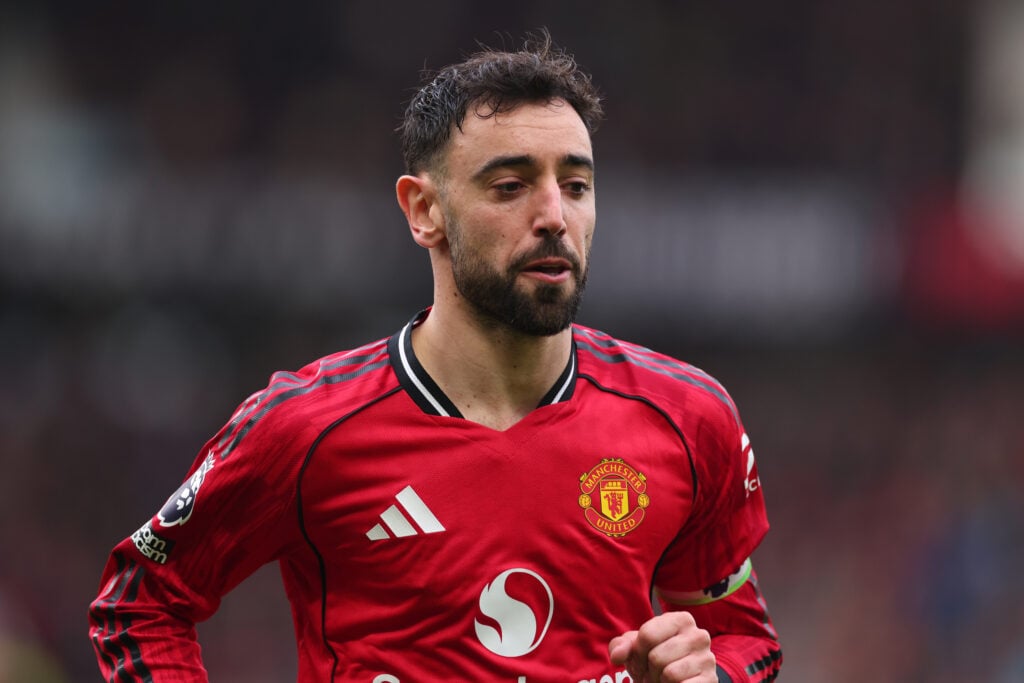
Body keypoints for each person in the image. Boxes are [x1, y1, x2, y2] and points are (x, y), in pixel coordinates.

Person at [88, 31, 782, 683]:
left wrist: (711, 673)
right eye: (510, 186)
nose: (553, 215)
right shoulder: (302, 429)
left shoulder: (691, 417)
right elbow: (141, 604)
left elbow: (745, 637)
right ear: (424, 210)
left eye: (575, 185)